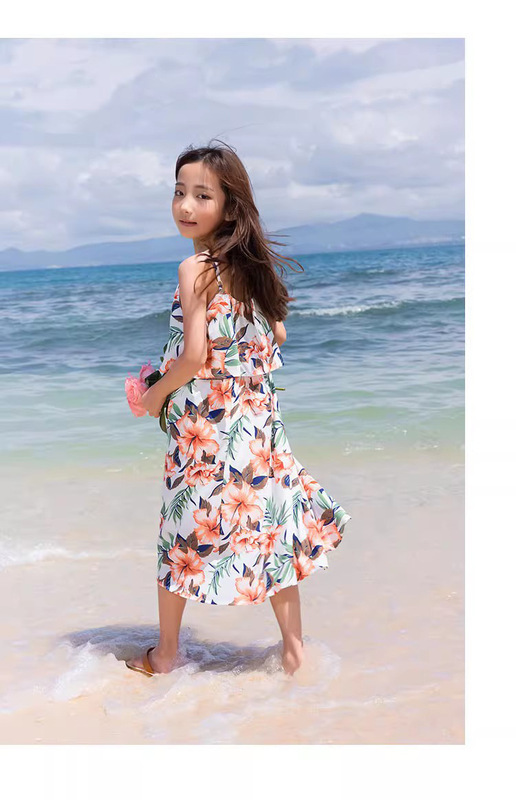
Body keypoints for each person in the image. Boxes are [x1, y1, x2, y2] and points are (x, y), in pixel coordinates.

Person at [125, 140, 351, 678]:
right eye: (179, 191)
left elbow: (194, 356)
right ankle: (293, 654)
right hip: (259, 429)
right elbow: (279, 333)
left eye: (202, 195)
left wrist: (153, 396)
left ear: (230, 206)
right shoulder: (254, 269)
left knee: (179, 536)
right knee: (274, 532)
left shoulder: (194, 268)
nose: (185, 205)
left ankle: (167, 654)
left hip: (207, 433)